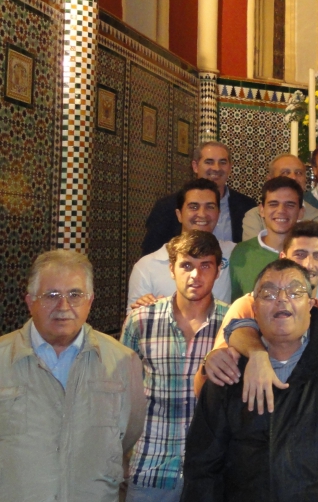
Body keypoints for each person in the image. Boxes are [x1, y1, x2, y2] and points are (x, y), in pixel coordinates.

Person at [181, 259, 318, 501]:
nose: (282, 299)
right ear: (254, 308)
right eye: (269, 293)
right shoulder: (230, 368)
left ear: (311, 304)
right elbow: (202, 468)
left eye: (295, 292)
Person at [0, 250, 146, 502]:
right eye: (52, 295)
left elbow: (129, 433)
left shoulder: (123, 361)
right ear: (30, 301)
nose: (63, 306)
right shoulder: (3, 359)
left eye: (75, 295)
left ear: (90, 301)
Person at [121, 231, 229, 501]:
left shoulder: (233, 324)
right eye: (186, 265)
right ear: (171, 270)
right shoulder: (141, 320)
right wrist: (119, 457)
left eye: (206, 265)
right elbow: (120, 395)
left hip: (213, 474)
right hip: (150, 468)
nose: (196, 275)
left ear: (218, 271)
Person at [194, 221, 318, 403]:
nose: (308, 264)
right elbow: (209, 381)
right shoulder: (247, 306)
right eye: (300, 254)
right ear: (282, 257)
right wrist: (256, 353)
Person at [129, 178, 235, 309]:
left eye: (210, 207)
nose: (202, 214)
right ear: (179, 214)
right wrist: (142, 311)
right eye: (194, 207)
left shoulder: (235, 254)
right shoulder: (147, 267)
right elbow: (133, 323)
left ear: (218, 214)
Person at [141, 141, 256, 254]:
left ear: (230, 167)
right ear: (195, 166)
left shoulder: (247, 207)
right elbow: (152, 252)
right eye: (209, 162)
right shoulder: (167, 206)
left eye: (222, 162)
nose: (216, 168)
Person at [228, 176, 305, 300]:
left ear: (301, 212)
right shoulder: (241, 253)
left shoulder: (309, 254)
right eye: (273, 204)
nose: (281, 211)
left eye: (289, 205)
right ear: (262, 210)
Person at [242, 153, 318, 240]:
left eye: (298, 173)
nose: (293, 177)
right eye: (285, 172)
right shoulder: (255, 216)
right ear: (270, 179)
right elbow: (254, 253)